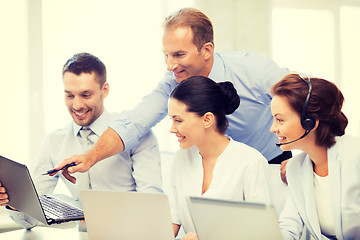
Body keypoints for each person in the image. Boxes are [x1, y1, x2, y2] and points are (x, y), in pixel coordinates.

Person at [55, 7, 291, 183]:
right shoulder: (173, 82)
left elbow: (310, 98)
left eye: (178, 54)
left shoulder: (255, 72)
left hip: (270, 165)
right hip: (212, 171)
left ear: (206, 50)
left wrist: (303, 160)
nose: (170, 65)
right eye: (166, 55)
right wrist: (91, 156)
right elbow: (135, 121)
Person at [0, 52, 162, 229]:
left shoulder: (135, 133)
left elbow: (152, 207)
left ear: (104, 90)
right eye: (69, 95)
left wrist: (106, 217)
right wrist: (15, 203)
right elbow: (31, 218)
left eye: (86, 95)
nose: (77, 105)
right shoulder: (54, 142)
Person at [168, 76, 271, 239]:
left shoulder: (251, 162)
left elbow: (262, 233)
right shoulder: (181, 158)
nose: (172, 129)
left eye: (178, 120)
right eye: (171, 120)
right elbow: (172, 219)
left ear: (207, 119)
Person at [270, 73, 360, 240]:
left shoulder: (355, 155)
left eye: (280, 120)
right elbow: (290, 225)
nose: (273, 128)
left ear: (310, 122)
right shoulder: (295, 167)